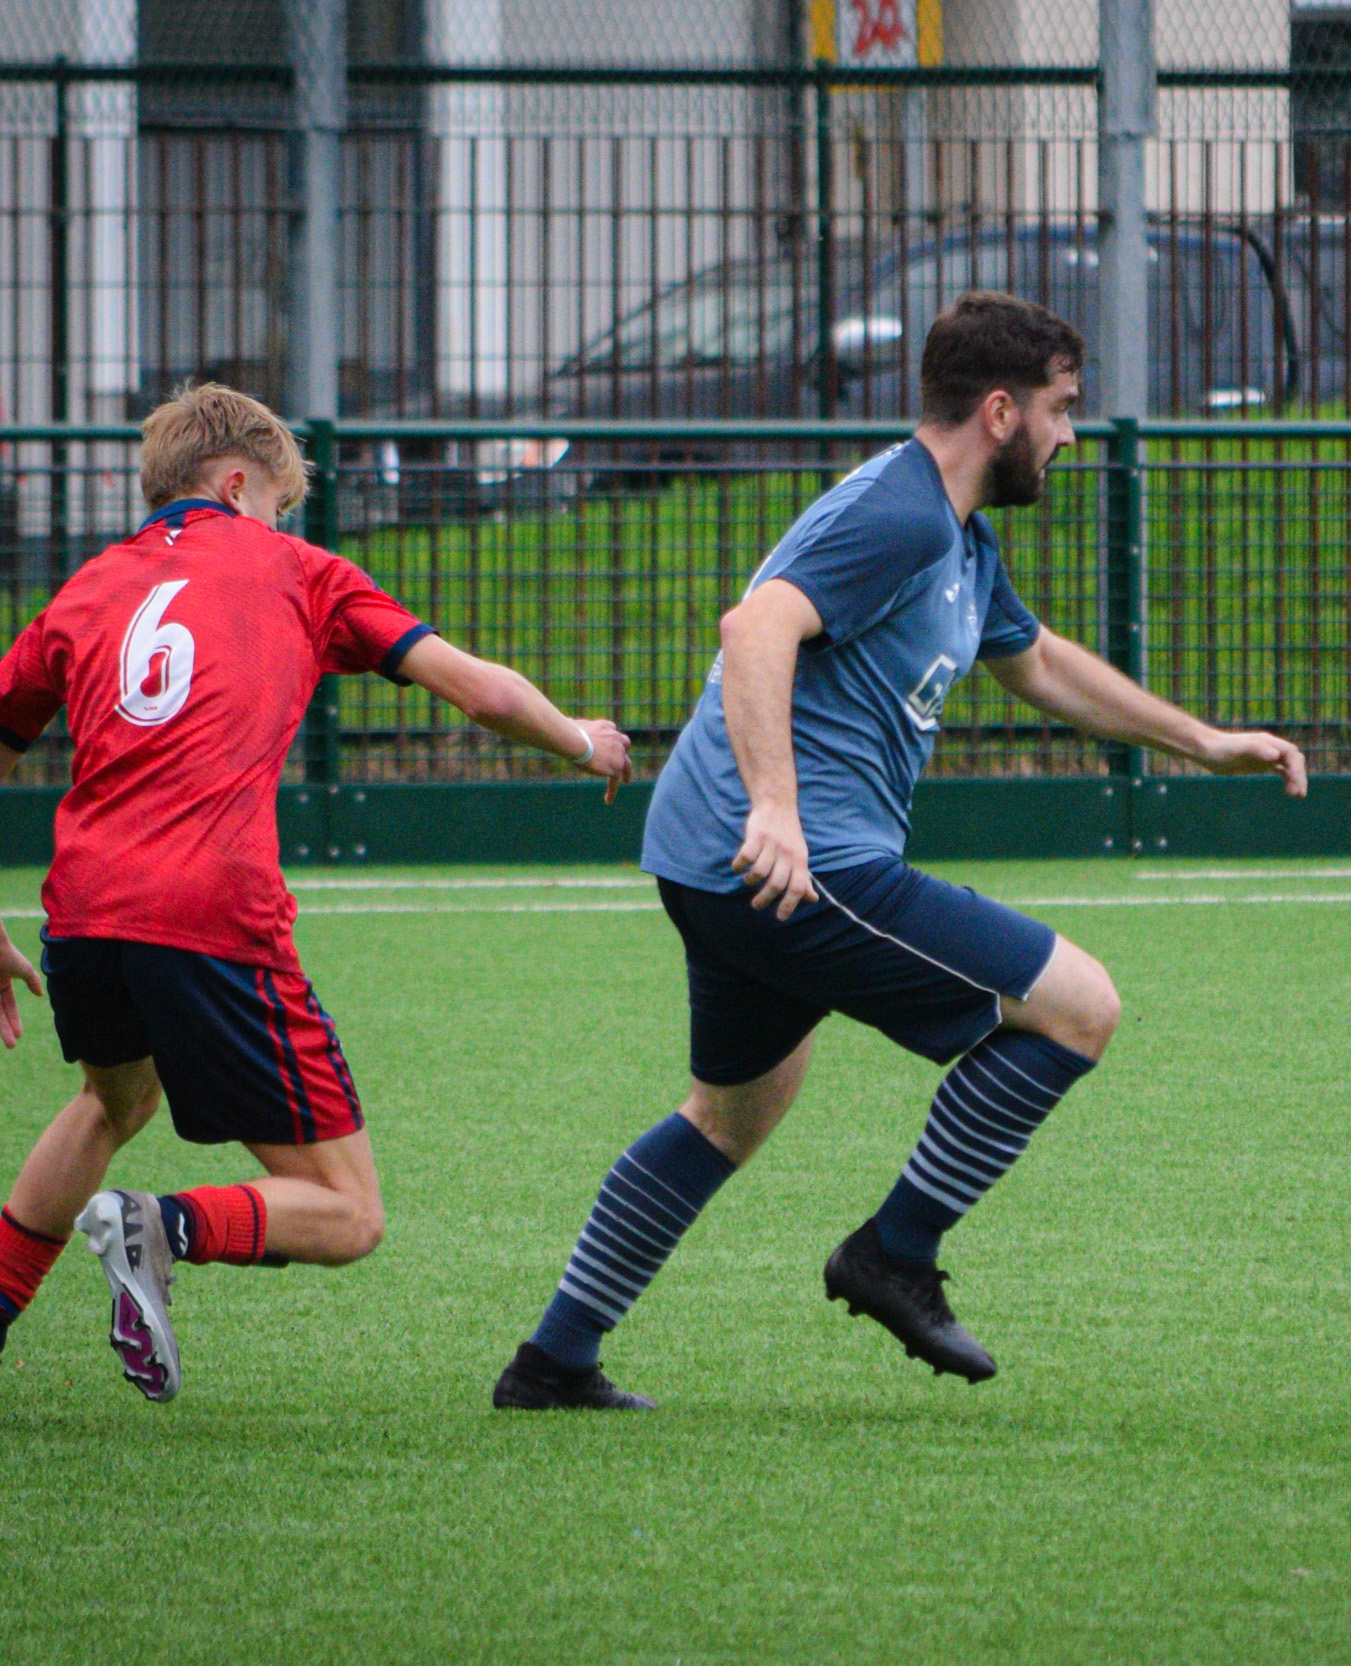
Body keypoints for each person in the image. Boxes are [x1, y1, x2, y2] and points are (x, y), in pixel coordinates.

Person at [494, 292, 1307, 1412]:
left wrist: (1200, 740)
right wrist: (776, 808)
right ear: (1000, 412)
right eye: (1063, 409)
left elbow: (1039, 663)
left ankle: (551, 1363)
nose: (1072, 434)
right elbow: (754, 628)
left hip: (711, 860)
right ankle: (893, 1252)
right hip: (793, 859)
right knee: (1078, 1005)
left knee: (731, 1113)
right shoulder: (905, 513)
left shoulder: (958, 538)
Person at [0, 383, 632, 1420]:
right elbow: (477, 690)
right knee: (347, 1212)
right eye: (281, 504)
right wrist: (580, 738)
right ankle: (164, 1226)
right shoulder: (300, 571)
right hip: (212, 914)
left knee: (115, 1100)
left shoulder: (85, 591)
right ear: (239, 483)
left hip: (83, 913)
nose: (284, 522)